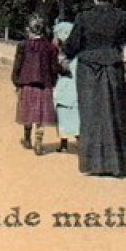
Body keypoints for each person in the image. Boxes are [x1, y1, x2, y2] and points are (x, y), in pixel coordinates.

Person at [61, 0, 126, 177]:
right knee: (114, 113)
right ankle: (117, 165)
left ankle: (93, 164)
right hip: (113, 68)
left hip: (88, 69)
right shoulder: (124, 17)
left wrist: (64, 55)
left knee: (91, 114)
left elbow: (72, 45)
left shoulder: (84, 17)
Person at [11, 15, 59, 154]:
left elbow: (17, 65)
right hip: (44, 84)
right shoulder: (50, 47)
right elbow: (53, 67)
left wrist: (16, 81)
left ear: (28, 30)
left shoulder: (23, 45)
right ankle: (39, 141)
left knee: (27, 111)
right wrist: (53, 81)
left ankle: (27, 138)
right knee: (41, 114)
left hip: (27, 83)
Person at [52, 18, 80, 153]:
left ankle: (64, 142)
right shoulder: (79, 51)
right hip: (75, 87)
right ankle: (78, 139)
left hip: (66, 85)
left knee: (63, 112)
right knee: (75, 113)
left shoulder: (62, 53)